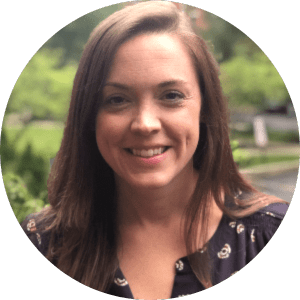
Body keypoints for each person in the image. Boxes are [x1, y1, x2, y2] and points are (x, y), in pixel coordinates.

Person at [21, 1, 288, 299]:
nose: (145, 124)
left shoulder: (274, 236)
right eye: (117, 99)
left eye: (171, 95)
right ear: (89, 116)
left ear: (205, 108)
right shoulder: (41, 245)